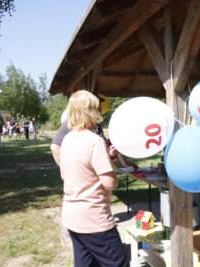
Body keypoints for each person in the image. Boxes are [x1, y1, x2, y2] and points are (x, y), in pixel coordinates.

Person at [59, 90, 129, 267]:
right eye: (96, 108)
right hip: (94, 218)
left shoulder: (67, 139)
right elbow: (110, 183)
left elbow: (68, 173)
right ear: (91, 111)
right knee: (119, 263)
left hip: (71, 215)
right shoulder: (94, 141)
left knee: (85, 263)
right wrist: (112, 170)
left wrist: (104, 159)